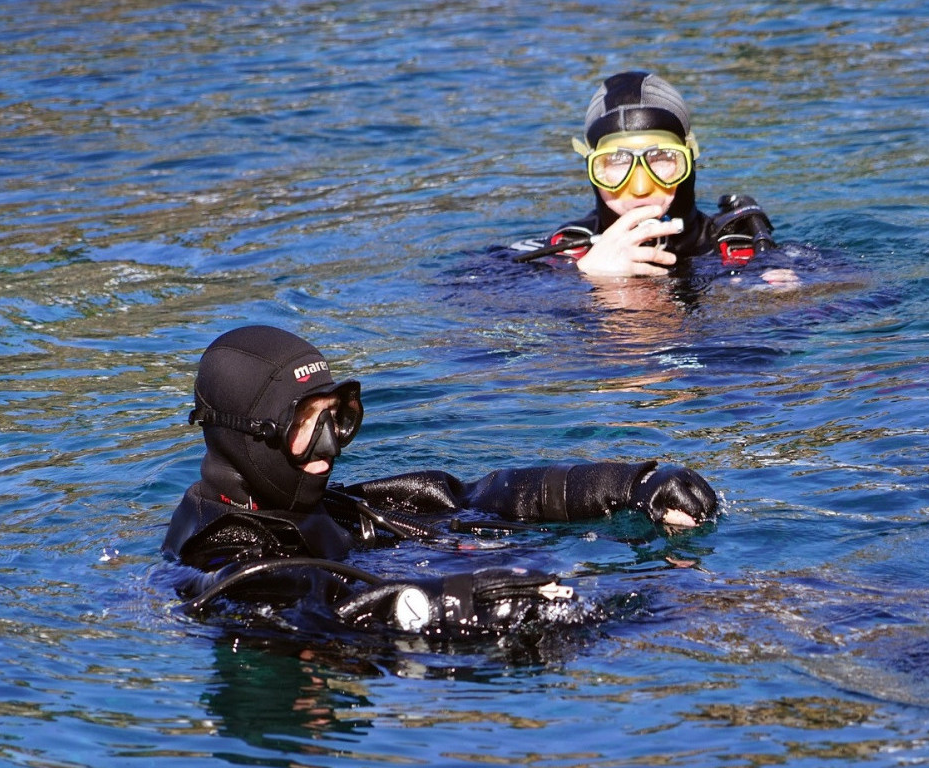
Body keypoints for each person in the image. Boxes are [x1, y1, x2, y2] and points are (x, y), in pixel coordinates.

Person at [162, 325, 718, 639]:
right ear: (243, 436)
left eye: (338, 418)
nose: (329, 448)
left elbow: (473, 496)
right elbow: (311, 609)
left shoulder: (324, 510)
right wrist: (465, 602)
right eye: (304, 425)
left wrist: (630, 483)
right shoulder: (219, 557)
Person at [507, 71, 797, 286]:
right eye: (617, 161)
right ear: (592, 170)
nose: (641, 187)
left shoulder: (746, 251)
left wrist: (789, 300)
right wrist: (589, 277)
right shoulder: (561, 253)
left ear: (690, 160)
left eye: (661, 159)